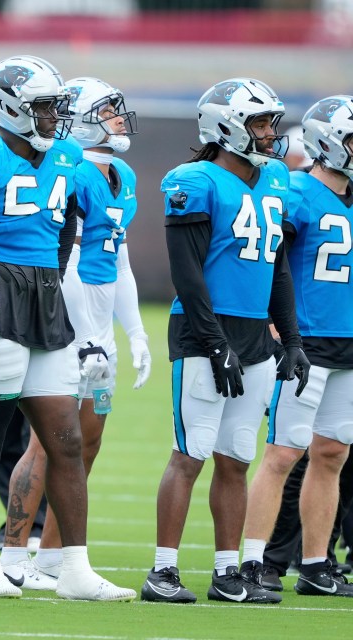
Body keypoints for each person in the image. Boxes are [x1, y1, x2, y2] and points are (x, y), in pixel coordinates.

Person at [0, 55, 135, 601]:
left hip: (44, 301)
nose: (55, 117)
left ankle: (72, 568)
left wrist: (51, 274)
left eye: (56, 107)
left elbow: (68, 224)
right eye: (46, 107)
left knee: (66, 440)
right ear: (10, 108)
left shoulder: (67, 155)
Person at [140, 78, 309, 605]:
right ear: (227, 126)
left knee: (236, 456)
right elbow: (186, 274)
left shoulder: (275, 178)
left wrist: (292, 338)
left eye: (270, 123)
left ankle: (227, 572)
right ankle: (162, 572)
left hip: (255, 334)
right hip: (202, 330)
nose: (270, 134)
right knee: (190, 453)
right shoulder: (195, 181)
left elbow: (278, 265)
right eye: (259, 123)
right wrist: (215, 345)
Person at [0, 76, 150, 588]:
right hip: (70, 324)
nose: (118, 118)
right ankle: (12, 553)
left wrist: (134, 333)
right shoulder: (72, 170)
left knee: (89, 441)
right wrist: (80, 334)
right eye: (106, 110)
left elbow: (118, 259)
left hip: (100, 328)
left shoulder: (122, 174)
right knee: (49, 442)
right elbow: (66, 259)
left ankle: (53, 558)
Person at [240, 95, 353, 598]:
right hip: (305, 340)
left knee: (332, 453)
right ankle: (253, 562)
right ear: (329, 141)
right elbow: (269, 261)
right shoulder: (296, 192)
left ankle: (315, 564)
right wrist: (275, 326)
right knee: (284, 452)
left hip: (348, 341)